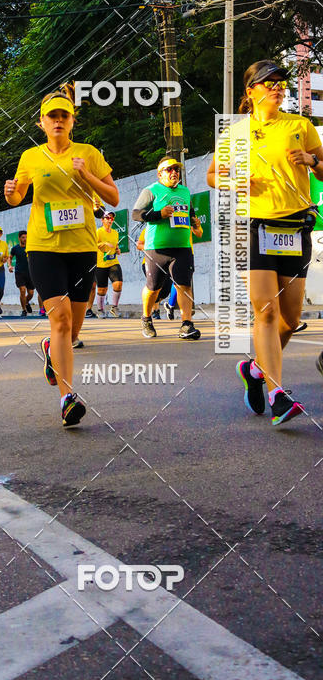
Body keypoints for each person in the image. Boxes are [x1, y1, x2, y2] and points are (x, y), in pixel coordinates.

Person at [207, 59, 323, 426]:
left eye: (280, 81)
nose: (276, 86)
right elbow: (212, 175)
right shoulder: (236, 133)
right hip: (253, 227)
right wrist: (234, 180)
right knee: (267, 312)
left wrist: (312, 159)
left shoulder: (300, 126)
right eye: (267, 82)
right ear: (250, 92)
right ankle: (277, 394)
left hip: (294, 227)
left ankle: (256, 370)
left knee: (290, 318)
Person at [5, 89, 118, 427]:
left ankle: (51, 349)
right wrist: (11, 194)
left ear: (72, 121)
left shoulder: (89, 153)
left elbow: (112, 197)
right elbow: (17, 198)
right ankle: (68, 398)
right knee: (62, 320)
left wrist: (87, 176)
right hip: (43, 246)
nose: (57, 120)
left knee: (73, 329)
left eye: (63, 115)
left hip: (83, 247)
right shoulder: (30, 157)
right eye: (51, 116)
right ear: (41, 122)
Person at [132, 157, 202, 340]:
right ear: (160, 173)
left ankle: (187, 324)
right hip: (157, 248)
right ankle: (146, 318)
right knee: (153, 287)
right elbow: (136, 214)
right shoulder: (152, 191)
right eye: (169, 169)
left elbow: (190, 214)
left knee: (184, 285)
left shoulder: (185, 191)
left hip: (182, 247)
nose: (174, 173)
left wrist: (196, 225)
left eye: (176, 170)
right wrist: (159, 214)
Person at [95, 210, 123, 317]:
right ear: (102, 220)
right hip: (101, 263)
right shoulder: (98, 232)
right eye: (107, 218)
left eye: (111, 218)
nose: (110, 220)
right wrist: (104, 243)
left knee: (118, 284)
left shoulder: (115, 233)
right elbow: (93, 244)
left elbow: (115, 246)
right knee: (102, 289)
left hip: (113, 262)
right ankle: (100, 310)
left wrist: (117, 250)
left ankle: (114, 307)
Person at [9, 231, 36, 316]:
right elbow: (10, 258)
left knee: (31, 293)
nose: (25, 239)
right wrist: (10, 266)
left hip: (30, 272)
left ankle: (26, 302)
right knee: (23, 290)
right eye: (23, 237)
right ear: (19, 238)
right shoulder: (15, 248)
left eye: (26, 237)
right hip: (19, 272)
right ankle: (24, 310)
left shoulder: (30, 247)